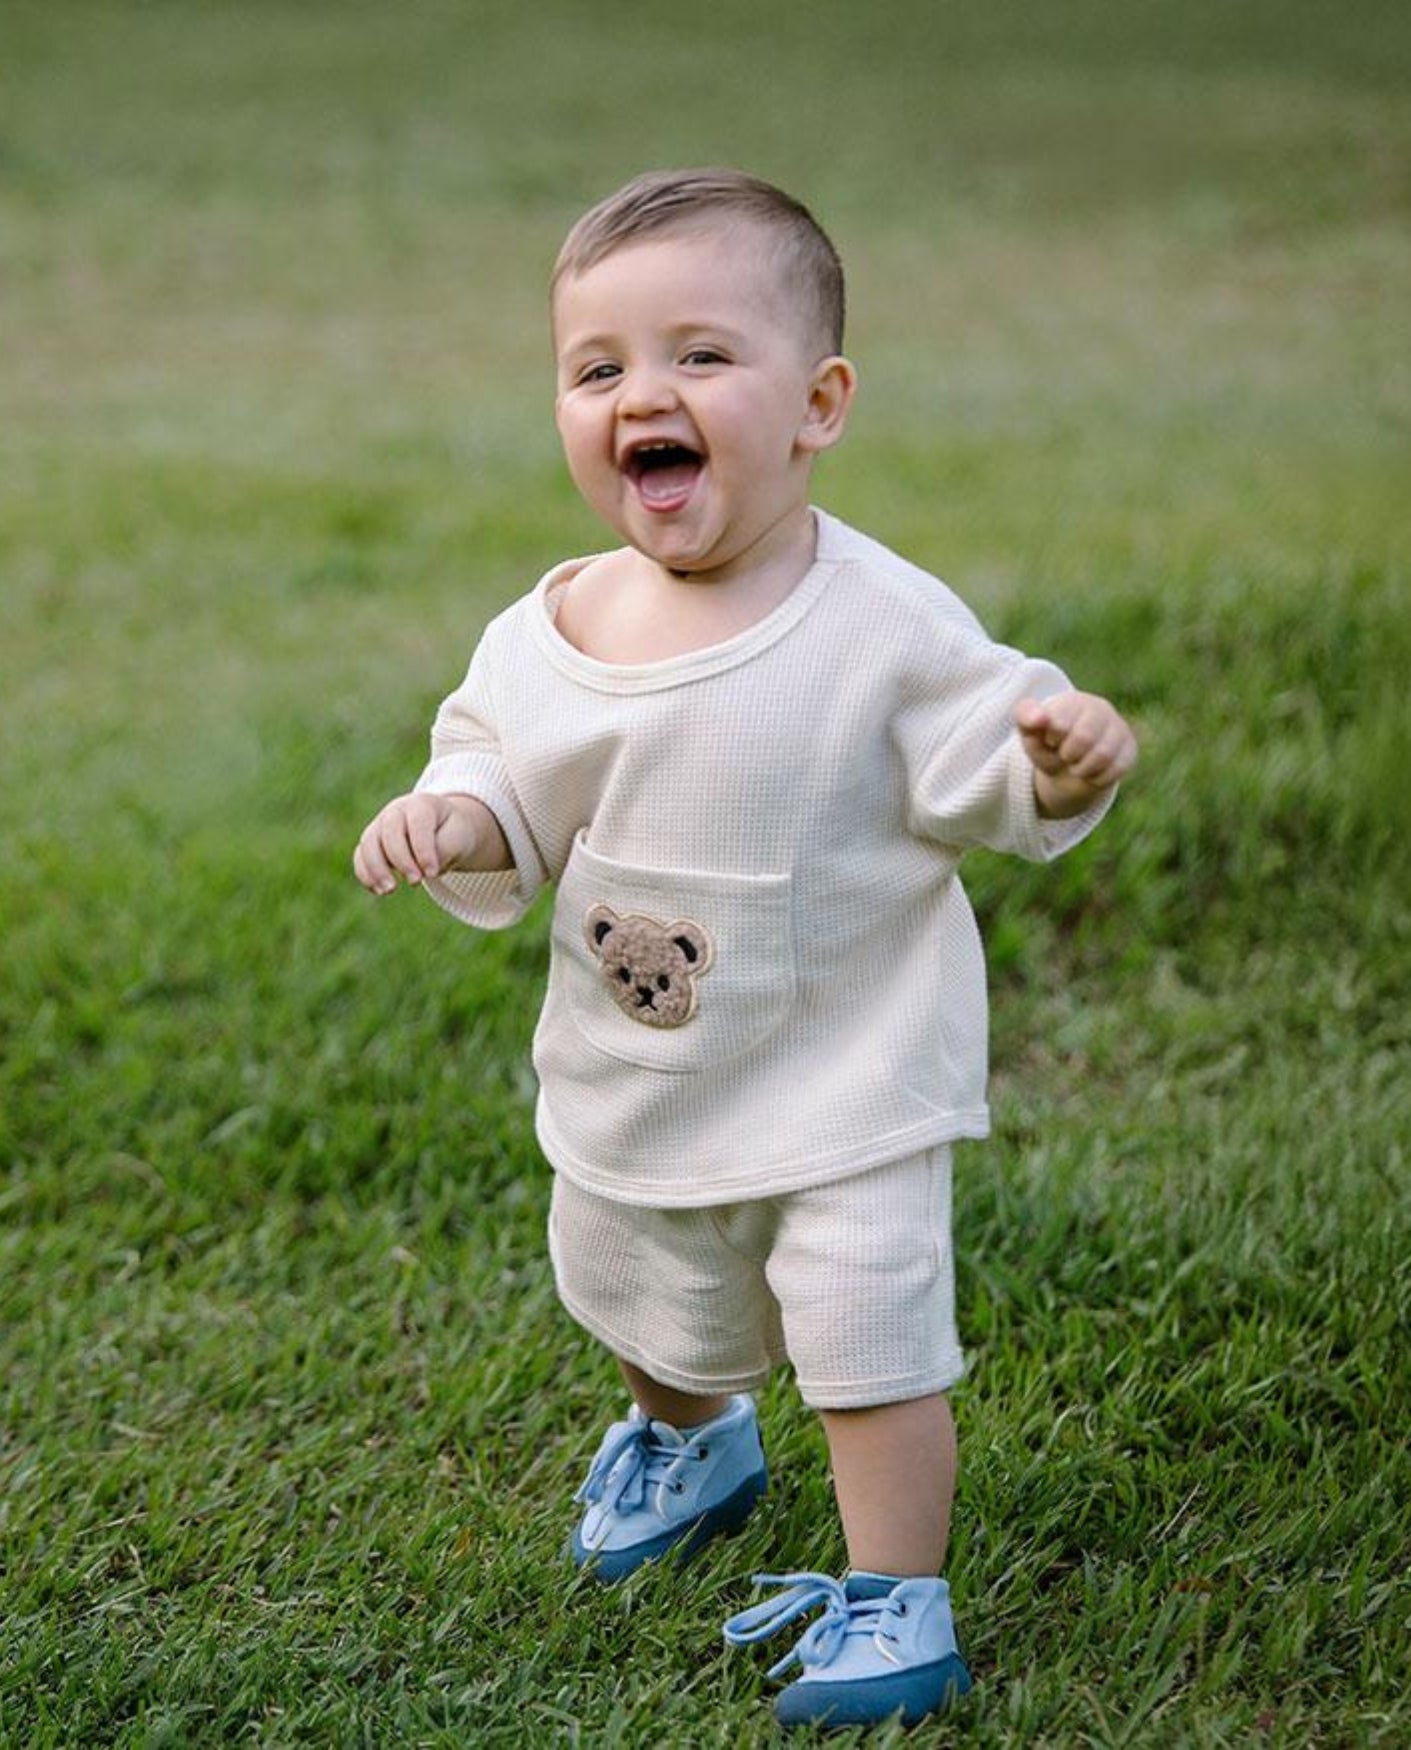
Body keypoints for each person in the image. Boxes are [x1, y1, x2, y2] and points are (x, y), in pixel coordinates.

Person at [353, 167, 1137, 1730]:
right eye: (601, 369)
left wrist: (1054, 760)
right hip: (644, 1072)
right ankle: (694, 1433)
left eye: (703, 356)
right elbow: (504, 761)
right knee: (640, 1283)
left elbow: (986, 739)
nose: (647, 393)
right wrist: (454, 814)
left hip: (848, 1080)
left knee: (867, 1341)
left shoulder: (880, 624)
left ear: (819, 403)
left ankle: (892, 1595)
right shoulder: (556, 623)